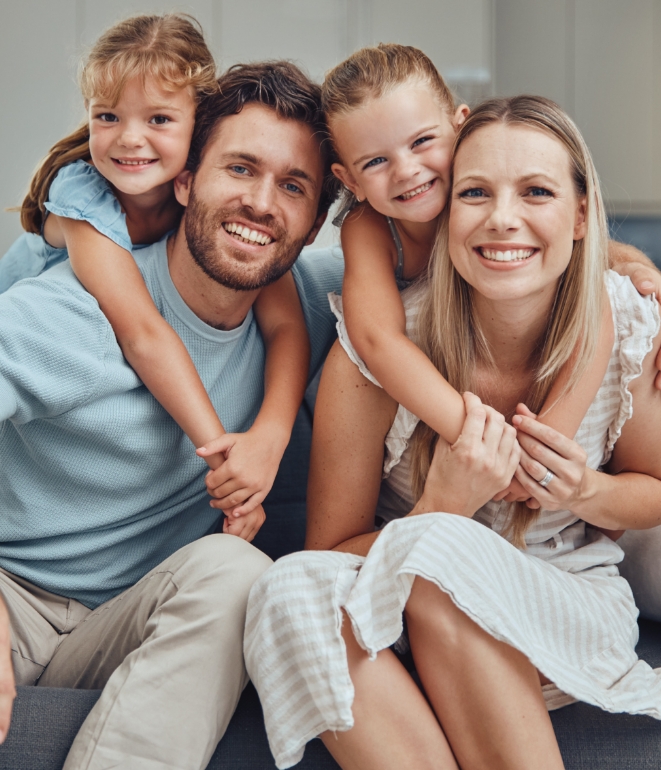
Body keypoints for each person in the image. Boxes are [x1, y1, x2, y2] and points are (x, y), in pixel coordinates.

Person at [245, 96, 661, 770]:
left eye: (535, 192)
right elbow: (331, 552)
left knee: (437, 551)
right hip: (401, 615)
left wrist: (585, 491)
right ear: (442, 214)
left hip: (560, 601)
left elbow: (652, 488)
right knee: (285, 587)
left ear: (580, 215)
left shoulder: (624, 324)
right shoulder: (376, 355)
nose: (502, 219)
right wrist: (444, 505)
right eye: (473, 193)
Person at [0, 60, 341, 769]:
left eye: (292, 187)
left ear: (312, 226)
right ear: (183, 180)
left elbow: (450, 253)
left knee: (238, 570)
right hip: (13, 596)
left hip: (132, 619)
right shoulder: (73, 312)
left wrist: (615, 254)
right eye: (239, 169)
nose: (260, 203)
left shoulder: (312, 302)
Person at [1, 13, 312, 538]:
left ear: (198, 129)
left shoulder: (210, 210)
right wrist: (224, 461)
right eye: (108, 117)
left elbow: (286, 325)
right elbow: (143, 334)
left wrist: (270, 435)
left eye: (159, 120)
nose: (129, 140)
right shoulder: (84, 200)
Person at [322, 43, 660, 509]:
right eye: (375, 162)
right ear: (351, 181)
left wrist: (540, 460)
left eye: (422, 141)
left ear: (459, 127)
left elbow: (590, 286)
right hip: (428, 359)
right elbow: (377, 340)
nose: (407, 171)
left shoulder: (488, 200)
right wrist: (474, 434)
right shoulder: (369, 227)